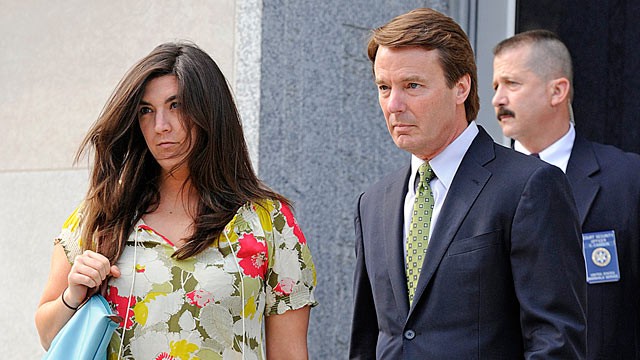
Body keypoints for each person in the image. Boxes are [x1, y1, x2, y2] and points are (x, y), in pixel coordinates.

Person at [35, 41, 317, 359]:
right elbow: (48, 337)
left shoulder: (268, 221)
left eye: (176, 105)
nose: (161, 126)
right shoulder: (101, 216)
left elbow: (291, 353)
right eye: (146, 111)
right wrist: (74, 294)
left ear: (209, 111)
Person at [350, 8, 587, 359]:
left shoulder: (530, 186)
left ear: (461, 87)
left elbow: (555, 342)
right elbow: (368, 341)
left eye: (412, 85)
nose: (394, 105)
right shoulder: (373, 203)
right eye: (384, 87)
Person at [492, 29, 640, 359]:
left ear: (557, 90)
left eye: (512, 84)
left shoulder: (628, 179)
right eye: (495, 86)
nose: (497, 99)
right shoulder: (482, 186)